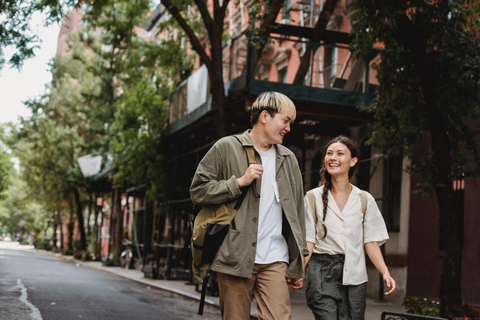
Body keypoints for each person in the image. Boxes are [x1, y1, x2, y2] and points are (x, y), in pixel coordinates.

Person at [190, 91, 308, 320]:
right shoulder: (226, 147)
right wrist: (238, 183)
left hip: (275, 258)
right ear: (265, 116)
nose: (288, 128)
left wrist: (298, 260)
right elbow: (197, 191)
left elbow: (297, 212)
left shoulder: (288, 159)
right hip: (235, 256)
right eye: (285, 121)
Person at [304, 135, 396, 320]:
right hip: (321, 273)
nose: (333, 158)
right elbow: (309, 241)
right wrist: (299, 269)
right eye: (329, 153)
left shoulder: (364, 199)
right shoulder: (312, 198)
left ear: (353, 161)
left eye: (340, 154)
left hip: (354, 275)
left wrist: (385, 272)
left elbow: (370, 242)